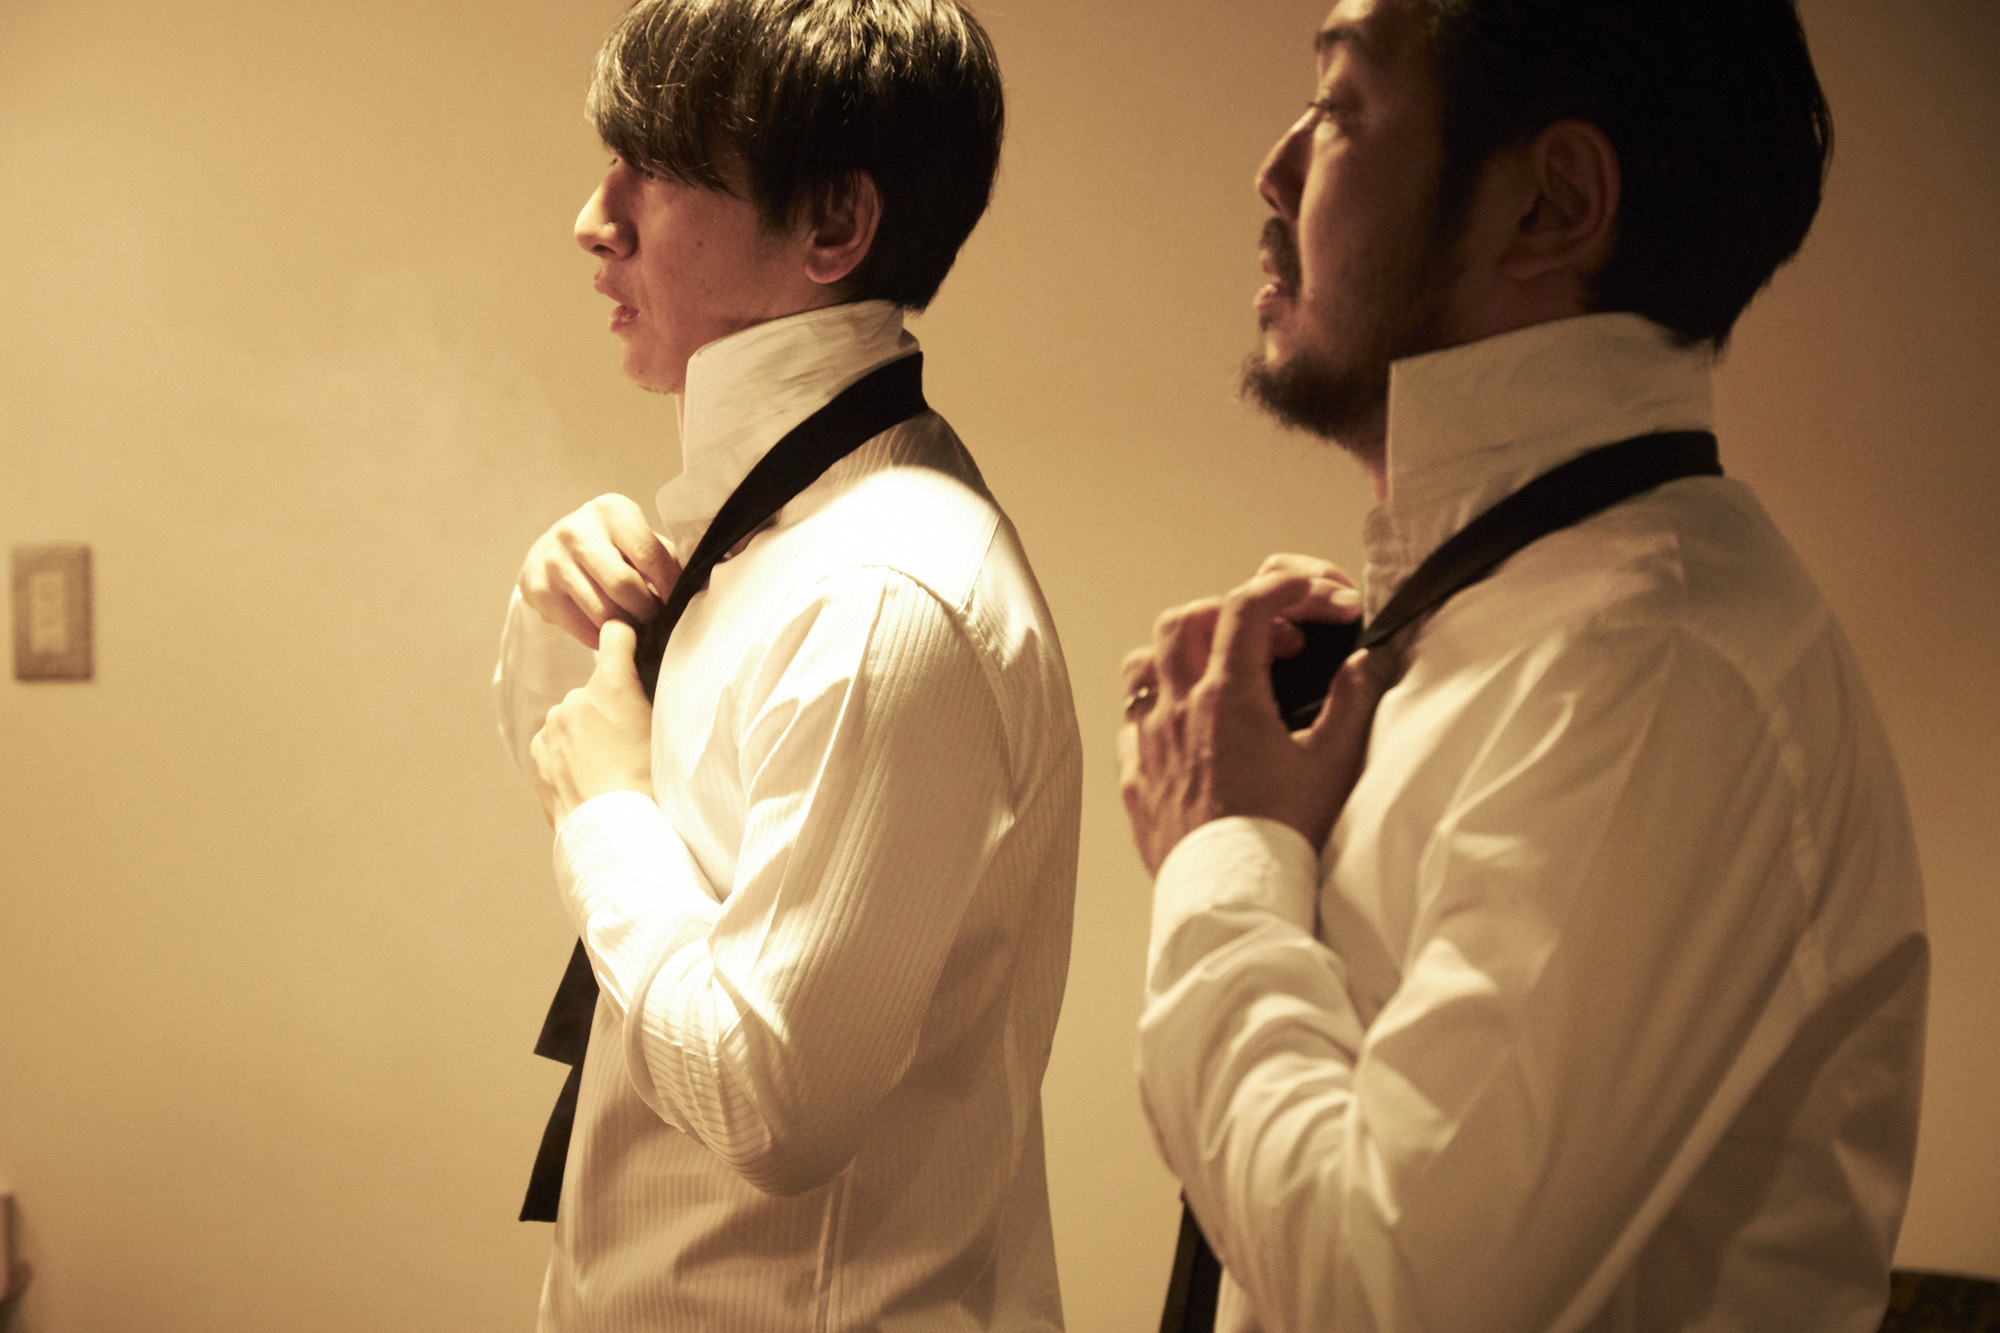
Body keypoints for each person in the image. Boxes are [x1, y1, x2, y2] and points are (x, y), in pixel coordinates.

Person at [1117, 2, 1928, 1330]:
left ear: (1551, 206)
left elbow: (1385, 1293)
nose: (1274, 170)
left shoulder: (1656, 672)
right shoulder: (1501, 623)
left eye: (1338, 106)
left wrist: (1222, 854)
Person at [491, 2, 1079, 1328]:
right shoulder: (774, 531)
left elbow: (771, 1099)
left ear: (832, 223)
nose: (594, 219)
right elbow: (619, 812)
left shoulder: (879, 591)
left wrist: (608, 811)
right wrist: (553, 620)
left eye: (652, 169)